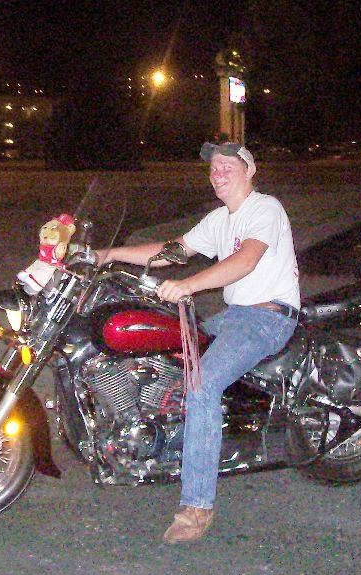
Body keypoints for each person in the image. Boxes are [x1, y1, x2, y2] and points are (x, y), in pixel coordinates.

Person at [96, 141, 300, 543]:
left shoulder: (265, 209)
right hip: (236, 315)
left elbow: (245, 261)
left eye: (228, 165)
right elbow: (173, 251)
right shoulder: (218, 220)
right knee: (170, 355)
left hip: (268, 317)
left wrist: (188, 285)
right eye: (213, 167)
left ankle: (197, 506)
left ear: (249, 170)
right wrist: (107, 254)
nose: (218, 172)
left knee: (201, 384)